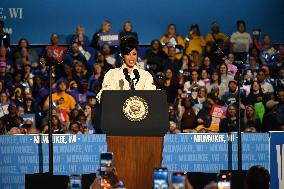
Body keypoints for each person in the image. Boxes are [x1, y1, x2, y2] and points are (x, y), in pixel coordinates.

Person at [96, 35, 156, 102]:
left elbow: (152, 96)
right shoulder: (112, 74)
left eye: (134, 54)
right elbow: (102, 95)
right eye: (128, 54)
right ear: (123, 56)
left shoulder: (145, 75)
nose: (131, 58)